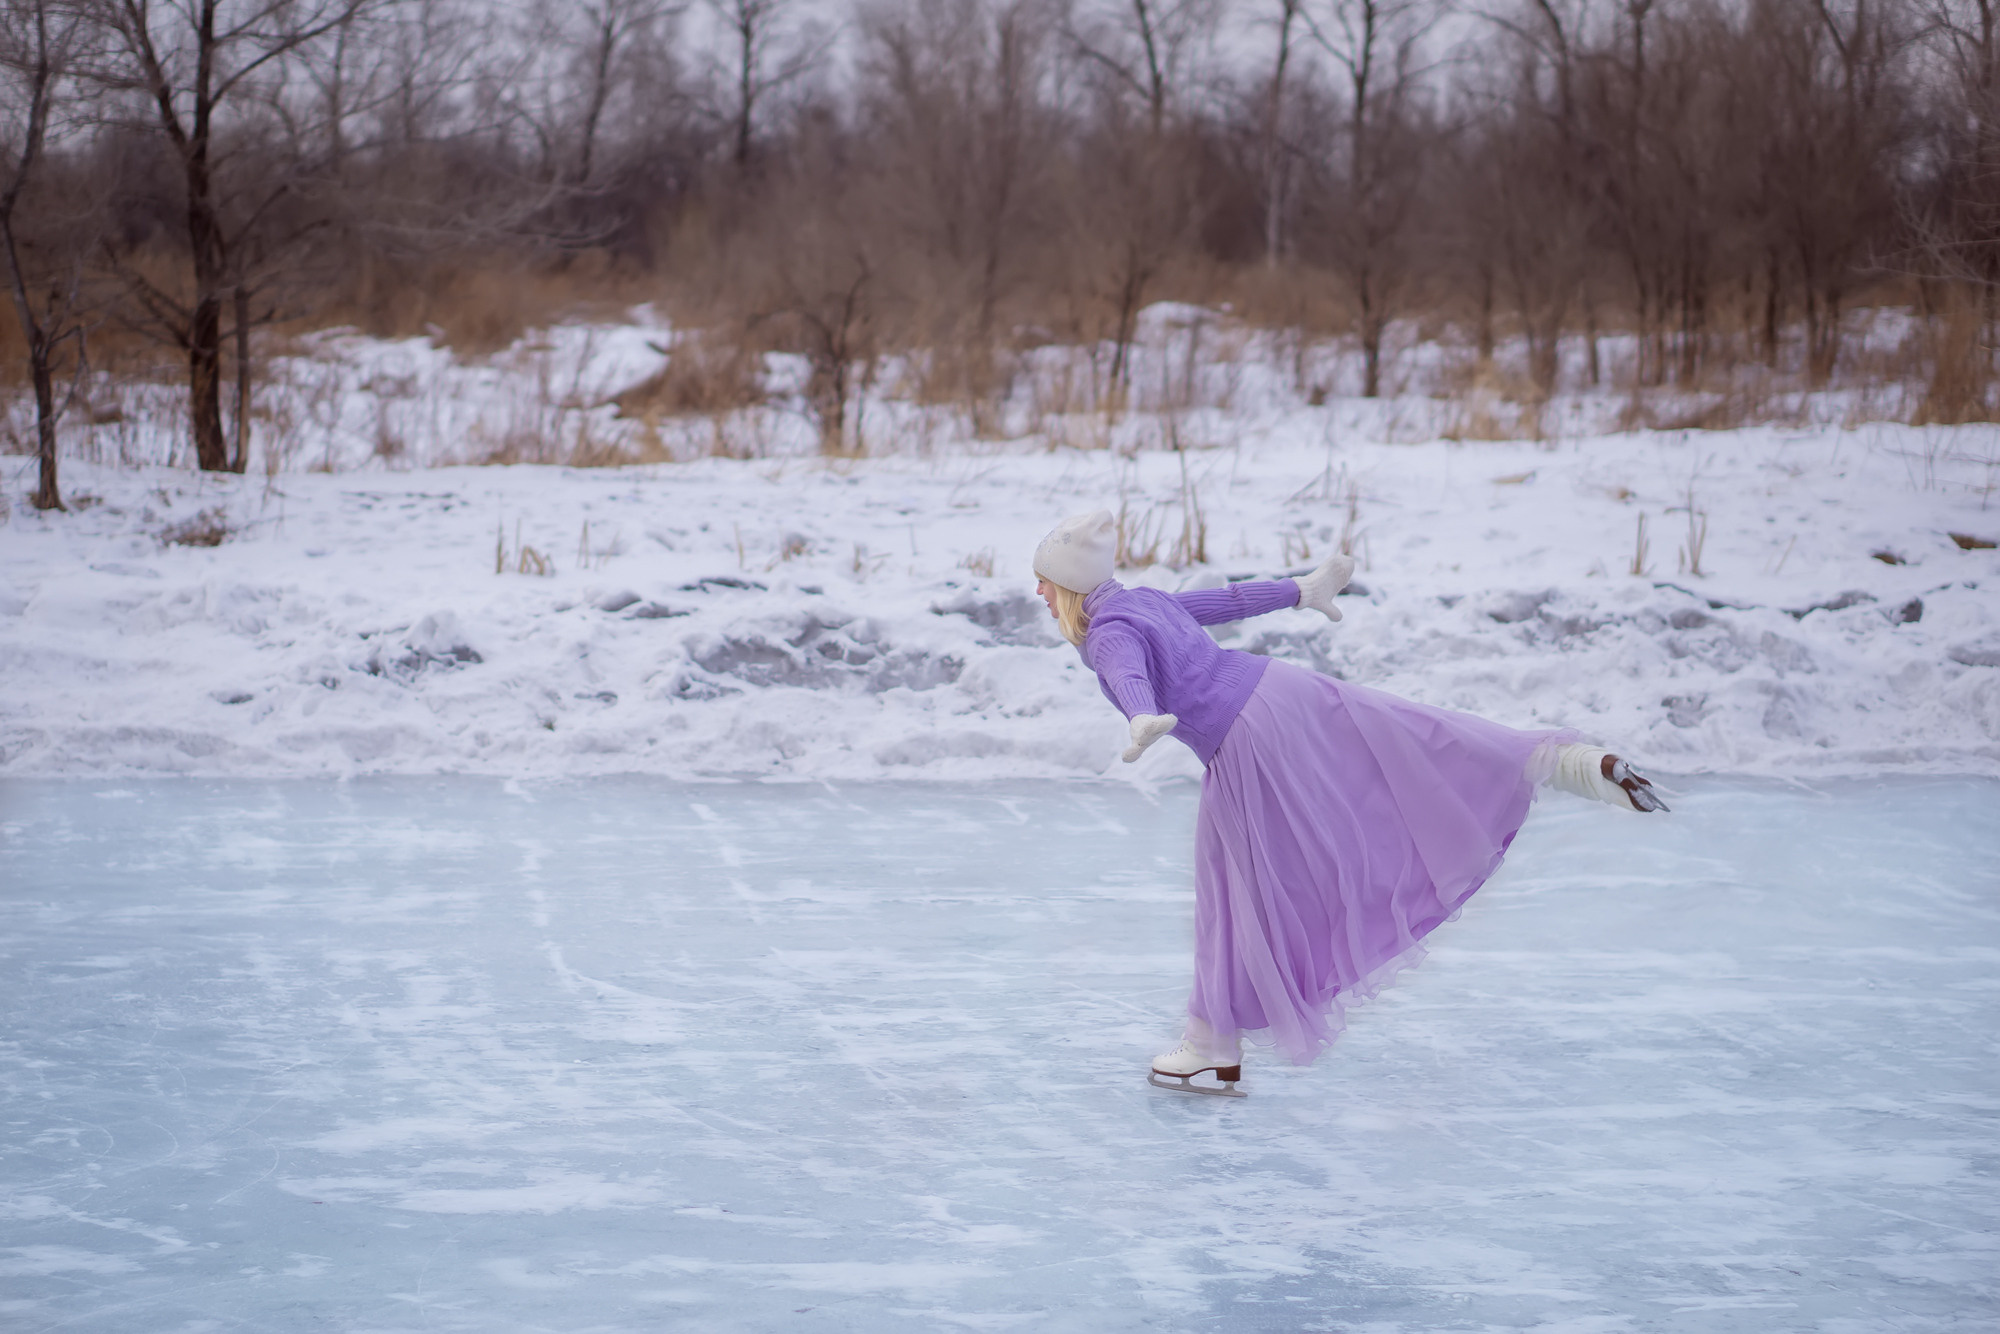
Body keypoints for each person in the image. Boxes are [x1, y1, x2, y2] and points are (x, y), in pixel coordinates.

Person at [1032, 509, 1666, 1097]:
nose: (1038, 594)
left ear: (1067, 587)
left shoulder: (1110, 630)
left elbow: (1127, 674)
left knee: (1239, 893)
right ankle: (1564, 761)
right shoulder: (1143, 600)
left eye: (1044, 583)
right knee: (1407, 738)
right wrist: (1301, 590)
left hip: (1241, 736)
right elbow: (1224, 602)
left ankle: (1210, 1042)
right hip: (1278, 688)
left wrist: (1142, 717)